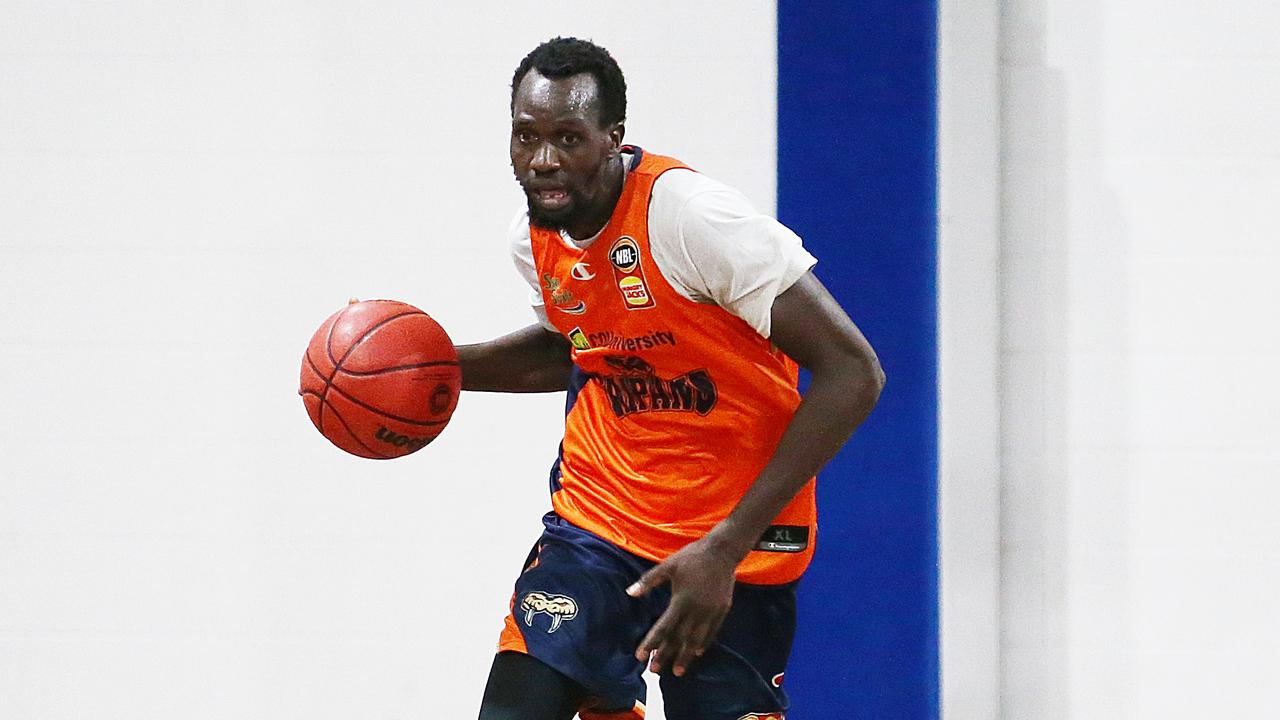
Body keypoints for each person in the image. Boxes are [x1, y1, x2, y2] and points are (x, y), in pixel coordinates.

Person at [457, 37, 885, 720]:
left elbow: (853, 373)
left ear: (612, 138)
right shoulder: (533, 237)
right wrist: (436, 370)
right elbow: (582, 347)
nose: (542, 160)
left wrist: (725, 546)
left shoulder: (692, 219)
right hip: (600, 522)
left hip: (732, 541)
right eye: (525, 137)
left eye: (567, 138)